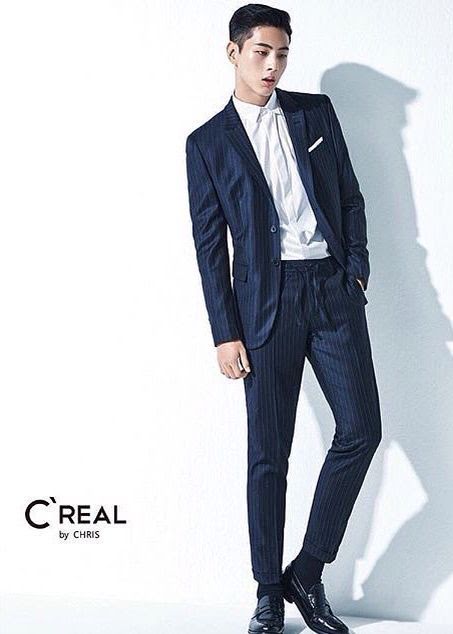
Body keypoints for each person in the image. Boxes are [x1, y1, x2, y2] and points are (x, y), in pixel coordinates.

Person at [185, 4, 382, 633]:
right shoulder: (207, 143)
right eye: (262, 52)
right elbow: (210, 248)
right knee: (269, 454)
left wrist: (355, 272)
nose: (273, 65)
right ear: (234, 52)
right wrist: (225, 332)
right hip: (264, 307)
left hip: (331, 291)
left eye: (283, 54)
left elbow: (349, 197)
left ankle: (308, 570)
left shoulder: (313, 113)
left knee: (361, 430)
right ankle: (269, 591)